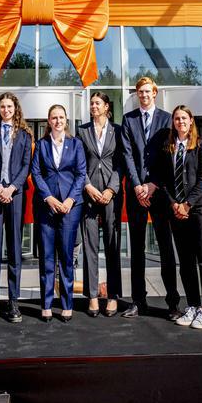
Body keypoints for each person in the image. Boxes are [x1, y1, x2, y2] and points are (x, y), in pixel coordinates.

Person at [154, 106, 202, 329]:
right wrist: (174, 203)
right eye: (176, 118)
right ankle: (192, 304)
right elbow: (164, 180)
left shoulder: (200, 146)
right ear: (173, 122)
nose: (180, 121)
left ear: (191, 121)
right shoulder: (169, 147)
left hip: (199, 210)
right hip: (176, 211)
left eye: (184, 118)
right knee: (186, 261)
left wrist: (187, 203)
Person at [121, 76, 180, 320]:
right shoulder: (128, 119)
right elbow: (126, 154)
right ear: (137, 94)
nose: (144, 95)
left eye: (148, 91)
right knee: (137, 249)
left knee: (166, 248)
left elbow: (169, 156)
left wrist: (152, 185)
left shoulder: (167, 119)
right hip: (136, 194)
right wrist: (137, 186)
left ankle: (173, 303)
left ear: (154, 93)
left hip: (159, 192)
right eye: (140, 92)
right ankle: (138, 301)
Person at [0, 92, 32, 324]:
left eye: (9, 106)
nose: (6, 110)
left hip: (16, 196)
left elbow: (25, 165)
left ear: (16, 109)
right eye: (2, 106)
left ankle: (13, 300)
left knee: (14, 249)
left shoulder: (24, 134)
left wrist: (11, 188)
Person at [31, 104, 86, 322]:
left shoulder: (76, 144)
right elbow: (35, 173)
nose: (58, 121)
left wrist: (70, 200)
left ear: (66, 120)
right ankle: (45, 304)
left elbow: (81, 174)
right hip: (46, 207)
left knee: (65, 257)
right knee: (46, 257)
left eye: (61, 117)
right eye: (54, 117)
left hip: (70, 208)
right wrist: (49, 198)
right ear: (48, 121)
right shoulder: (42, 145)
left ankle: (66, 304)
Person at [78, 91, 124, 317]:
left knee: (113, 246)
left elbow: (121, 163)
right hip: (88, 194)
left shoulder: (118, 131)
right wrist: (88, 186)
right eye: (91, 103)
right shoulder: (82, 131)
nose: (93, 106)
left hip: (111, 195)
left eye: (98, 103)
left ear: (107, 106)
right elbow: (78, 163)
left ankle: (113, 295)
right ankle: (93, 296)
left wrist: (111, 189)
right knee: (90, 246)